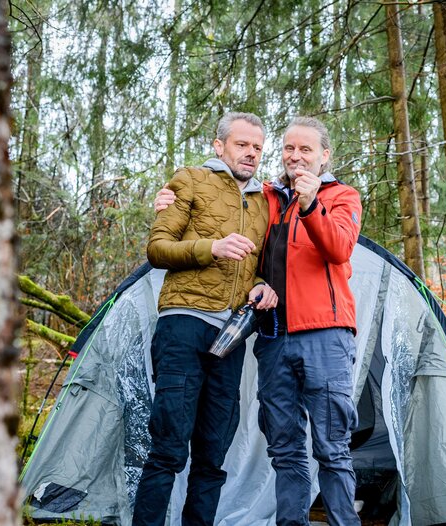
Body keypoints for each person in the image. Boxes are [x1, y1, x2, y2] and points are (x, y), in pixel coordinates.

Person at [155, 116, 363, 526]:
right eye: (289, 148)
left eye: (306, 149)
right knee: (284, 449)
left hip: (326, 335)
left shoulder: (343, 197)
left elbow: (339, 249)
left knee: (331, 448)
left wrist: (310, 204)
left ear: (325, 156)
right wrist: (166, 198)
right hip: (273, 338)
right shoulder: (268, 197)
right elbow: (222, 199)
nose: (296, 156)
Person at [133, 111, 277, 526]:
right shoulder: (190, 180)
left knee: (213, 454)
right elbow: (157, 248)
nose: (250, 153)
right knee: (169, 449)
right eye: (241, 144)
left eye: (256, 147)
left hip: (230, 336)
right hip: (183, 325)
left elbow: (263, 264)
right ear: (219, 146)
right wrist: (211, 247)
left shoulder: (264, 202)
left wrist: (263, 284)